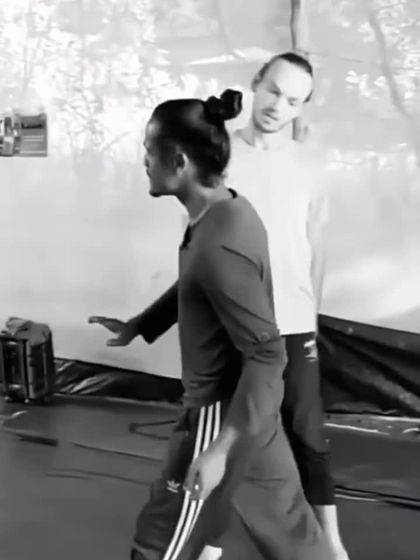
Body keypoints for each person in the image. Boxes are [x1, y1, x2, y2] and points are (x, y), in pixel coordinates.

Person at [90, 53, 349, 560]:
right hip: (252, 413)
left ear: (179, 163)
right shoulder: (226, 208)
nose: (143, 161)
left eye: (149, 151)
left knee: (160, 543)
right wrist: (141, 324)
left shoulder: (220, 237)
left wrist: (220, 449)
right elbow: (201, 283)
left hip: (222, 412)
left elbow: (268, 354)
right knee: (297, 540)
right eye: (273, 91)